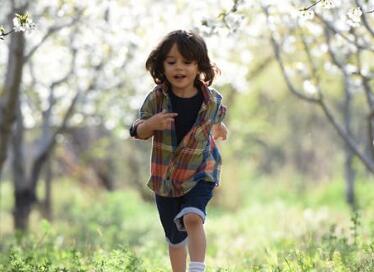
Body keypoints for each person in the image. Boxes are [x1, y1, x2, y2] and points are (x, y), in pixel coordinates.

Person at [129, 29, 228, 272]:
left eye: (186, 62)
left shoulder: (212, 99)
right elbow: (136, 129)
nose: (179, 68)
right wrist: (151, 124)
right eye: (171, 62)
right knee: (175, 239)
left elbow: (213, 119)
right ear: (162, 66)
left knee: (192, 217)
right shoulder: (157, 99)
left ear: (199, 66)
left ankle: (197, 268)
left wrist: (220, 127)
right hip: (167, 178)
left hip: (200, 171)